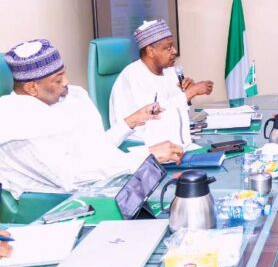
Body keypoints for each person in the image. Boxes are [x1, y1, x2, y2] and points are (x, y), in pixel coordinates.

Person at [0, 39, 183, 198]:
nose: (65, 82)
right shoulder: (17, 123)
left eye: (63, 74)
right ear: (32, 88)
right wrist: (145, 155)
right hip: (62, 204)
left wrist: (131, 122)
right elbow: (72, 175)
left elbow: (94, 148)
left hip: (102, 185)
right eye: (57, 80)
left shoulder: (60, 101)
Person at [110, 20, 213, 146]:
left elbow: (177, 114)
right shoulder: (132, 77)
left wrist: (186, 94)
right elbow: (151, 116)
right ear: (150, 51)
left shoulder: (170, 72)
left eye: (173, 46)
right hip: (143, 147)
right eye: (168, 48)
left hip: (174, 142)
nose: (174, 51)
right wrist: (189, 94)